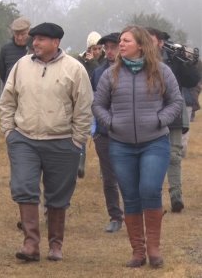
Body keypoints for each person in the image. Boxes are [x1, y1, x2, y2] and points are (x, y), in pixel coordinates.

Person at [0, 22, 93, 262]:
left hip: (62, 142)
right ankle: (30, 244)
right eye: (34, 39)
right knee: (23, 186)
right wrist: (10, 132)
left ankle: (55, 244)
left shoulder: (74, 69)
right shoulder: (21, 65)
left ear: (56, 42)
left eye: (41, 39)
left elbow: (83, 108)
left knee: (58, 194)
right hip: (24, 139)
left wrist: (77, 141)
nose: (35, 43)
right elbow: (7, 100)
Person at [92, 25, 183, 268]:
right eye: (120, 40)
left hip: (154, 142)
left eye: (126, 41)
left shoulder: (161, 71)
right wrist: (110, 123)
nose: (120, 45)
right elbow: (98, 105)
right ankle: (138, 252)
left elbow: (176, 101)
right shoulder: (110, 74)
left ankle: (154, 248)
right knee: (130, 196)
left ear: (141, 45)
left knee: (150, 189)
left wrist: (160, 119)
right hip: (121, 145)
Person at [146, 27, 200, 212]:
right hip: (148, 116)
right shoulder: (137, 61)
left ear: (160, 42)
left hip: (174, 114)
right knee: (151, 158)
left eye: (150, 39)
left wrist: (187, 62)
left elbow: (193, 81)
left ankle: (176, 197)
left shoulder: (174, 60)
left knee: (174, 156)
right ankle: (152, 198)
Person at [90, 32, 123, 233]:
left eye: (114, 47)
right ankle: (115, 216)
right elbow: (95, 102)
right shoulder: (98, 73)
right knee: (109, 178)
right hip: (104, 132)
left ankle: (135, 215)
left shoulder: (136, 71)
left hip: (128, 132)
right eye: (107, 48)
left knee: (129, 177)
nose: (109, 51)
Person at [76, 31, 105, 178]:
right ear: (89, 49)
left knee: (101, 135)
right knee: (81, 132)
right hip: (84, 102)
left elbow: (100, 78)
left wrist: (93, 62)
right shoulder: (80, 61)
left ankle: (104, 167)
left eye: (100, 48)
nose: (97, 51)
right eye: (94, 48)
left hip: (101, 102)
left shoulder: (106, 61)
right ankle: (80, 163)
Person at [0, 16, 31, 84]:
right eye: (17, 34)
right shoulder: (5, 49)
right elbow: (2, 73)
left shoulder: (35, 48)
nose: (20, 38)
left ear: (29, 32)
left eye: (23, 34)